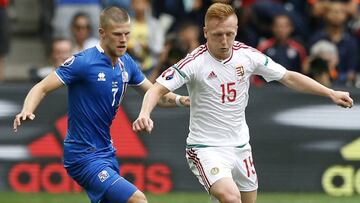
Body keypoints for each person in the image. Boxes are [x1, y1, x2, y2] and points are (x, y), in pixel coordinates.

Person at [132, 3, 354, 203]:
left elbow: (288, 76)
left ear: (236, 30)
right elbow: (156, 90)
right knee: (231, 197)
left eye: (230, 34)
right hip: (205, 147)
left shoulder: (247, 56)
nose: (225, 41)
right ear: (206, 32)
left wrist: (330, 93)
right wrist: (144, 114)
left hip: (240, 147)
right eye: (218, 34)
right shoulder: (194, 62)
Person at [13, 7, 189, 203]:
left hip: (106, 152)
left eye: (126, 34)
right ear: (102, 33)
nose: (123, 40)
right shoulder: (83, 62)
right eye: (117, 34)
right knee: (138, 199)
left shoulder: (127, 64)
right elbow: (42, 87)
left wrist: (182, 100)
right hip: (82, 156)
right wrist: (27, 110)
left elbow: (157, 95)